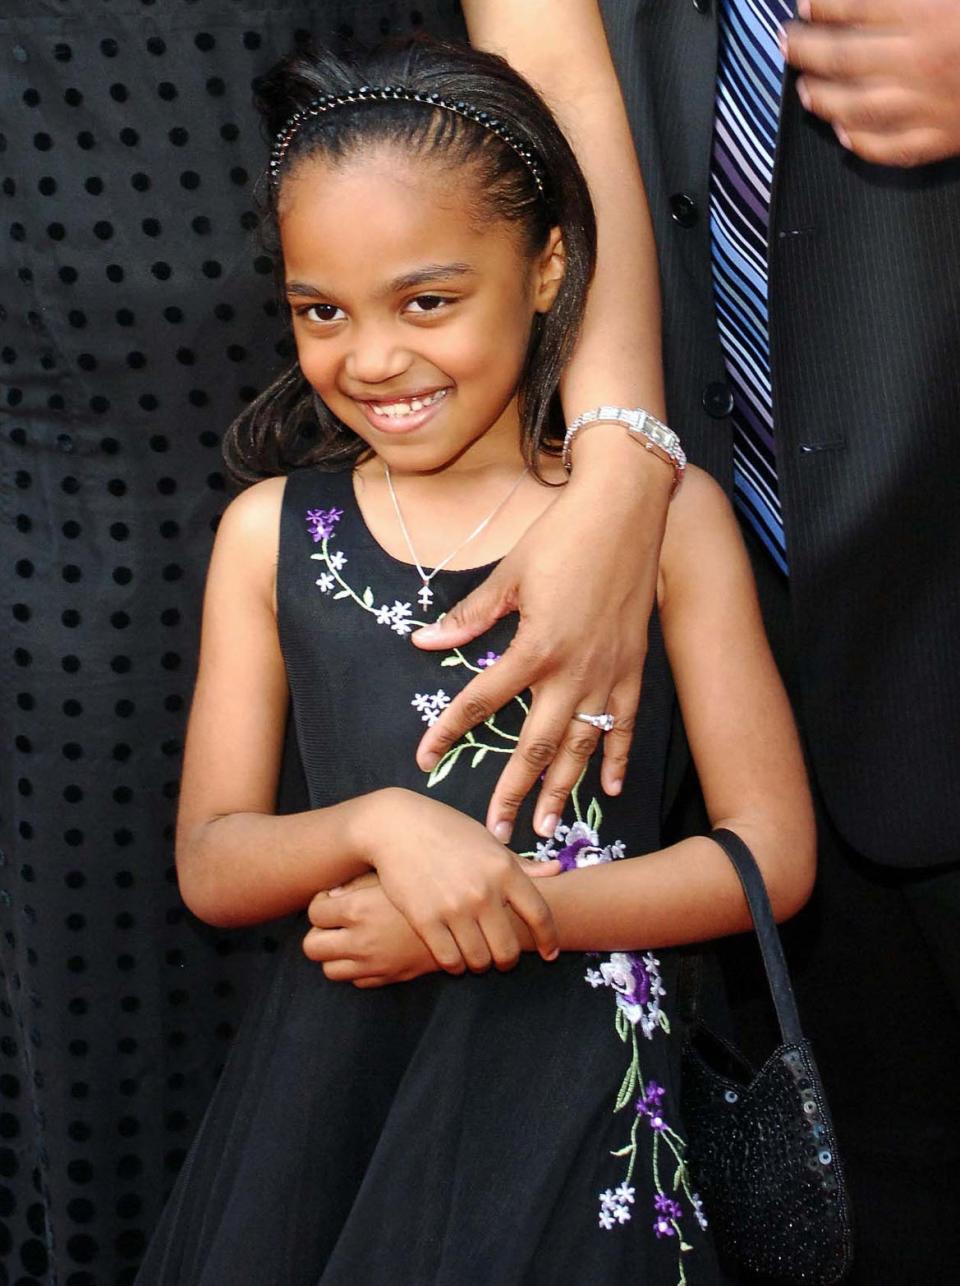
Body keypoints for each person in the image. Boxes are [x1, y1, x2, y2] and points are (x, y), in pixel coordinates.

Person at [134, 36, 814, 1285]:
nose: (373, 357)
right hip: (336, 1101)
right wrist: (380, 823)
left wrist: (518, 909)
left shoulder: (667, 525)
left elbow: (769, 854)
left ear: (549, 265)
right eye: (319, 310)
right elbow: (213, 862)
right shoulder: (267, 536)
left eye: (427, 301)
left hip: (583, 1101)